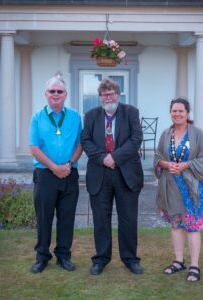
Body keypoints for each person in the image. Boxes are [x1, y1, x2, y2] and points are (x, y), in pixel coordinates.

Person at [81, 77, 144, 275]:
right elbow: (86, 140)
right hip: (100, 174)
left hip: (126, 174)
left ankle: (130, 259)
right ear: (99, 97)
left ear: (118, 94)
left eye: (111, 93)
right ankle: (101, 259)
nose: (108, 97)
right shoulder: (91, 115)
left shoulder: (131, 112)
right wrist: (103, 158)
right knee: (101, 219)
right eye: (104, 94)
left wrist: (114, 157)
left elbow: (136, 139)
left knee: (128, 219)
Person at [154, 97, 203, 282]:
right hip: (171, 187)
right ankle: (179, 261)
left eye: (181, 111)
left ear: (188, 113)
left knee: (193, 227)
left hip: (192, 189)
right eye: (174, 111)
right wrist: (165, 163)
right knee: (176, 224)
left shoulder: (197, 134)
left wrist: (186, 165)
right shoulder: (166, 134)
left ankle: (194, 266)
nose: (177, 114)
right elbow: (157, 157)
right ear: (170, 112)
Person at [29, 76, 82, 274]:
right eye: (52, 91)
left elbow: (80, 144)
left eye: (60, 91)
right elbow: (34, 147)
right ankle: (42, 257)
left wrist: (68, 165)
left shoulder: (75, 117)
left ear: (65, 94)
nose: (56, 95)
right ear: (46, 94)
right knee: (44, 218)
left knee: (67, 217)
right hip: (45, 175)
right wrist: (54, 167)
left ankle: (63, 256)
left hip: (69, 173)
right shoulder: (37, 117)